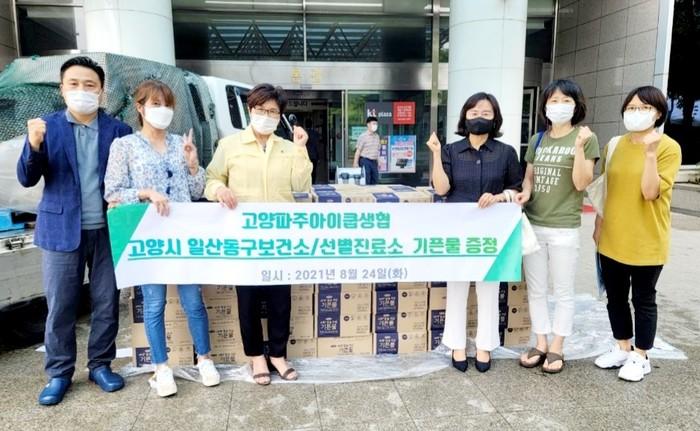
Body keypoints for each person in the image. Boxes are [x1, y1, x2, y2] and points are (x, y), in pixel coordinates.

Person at [16, 56, 132, 405]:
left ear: (101, 91)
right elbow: (27, 178)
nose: (82, 90)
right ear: (62, 89)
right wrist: (34, 145)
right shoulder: (46, 127)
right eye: (74, 84)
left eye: (90, 85)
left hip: (108, 231)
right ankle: (59, 373)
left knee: (106, 303)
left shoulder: (119, 131)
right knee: (61, 306)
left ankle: (100, 365)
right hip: (60, 230)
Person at [104, 80, 220, 396]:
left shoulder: (179, 143)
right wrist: (145, 193)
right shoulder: (124, 146)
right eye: (156, 104)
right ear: (140, 108)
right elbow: (112, 192)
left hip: (181, 235)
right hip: (149, 236)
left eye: (167, 104)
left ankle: (205, 360)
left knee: (193, 300)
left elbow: (196, 191)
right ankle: (161, 367)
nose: (163, 110)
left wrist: (193, 165)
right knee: (154, 303)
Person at [204, 83, 312, 385]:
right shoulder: (230, 145)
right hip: (245, 237)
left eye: (273, 112)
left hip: (279, 236)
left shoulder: (288, 148)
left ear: (280, 116)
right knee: (248, 298)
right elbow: (211, 179)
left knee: (280, 299)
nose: (267, 116)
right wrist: (219, 189)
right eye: (261, 110)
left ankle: (278, 354)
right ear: (250, 110)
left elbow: (301, 186)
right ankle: (256, 356)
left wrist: (301, 149)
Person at [427, 92, 522, 373]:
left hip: (492, 232)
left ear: (495, 119)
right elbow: (442, 189)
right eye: (474, 113)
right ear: (464, 117)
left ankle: (485, 345)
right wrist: (436, 154)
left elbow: (516, 189)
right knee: (457, 287)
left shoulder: (506, 152)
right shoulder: (451, 151)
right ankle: (456, 344)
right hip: (458, 230)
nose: (479, 117)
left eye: (486, 113)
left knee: (488, 288)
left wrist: (499, 196)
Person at [593, 86, 681, 382]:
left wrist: (650, 154)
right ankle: (622, 347)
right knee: (615, 297)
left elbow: (650, 192)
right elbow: (606, 189)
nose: (636, 112)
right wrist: (598, 224)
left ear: (658, 113)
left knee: (643, 299)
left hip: (647, 238)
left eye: (644, 107)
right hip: (612, 236)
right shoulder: (614, 145)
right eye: (631, 107)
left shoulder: (668, 147)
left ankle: (641, 356)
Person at [516, 79, 599, 373]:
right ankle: (540, 342)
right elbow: (529, 177)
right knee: (536, 289)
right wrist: (526, 192)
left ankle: (557, 346)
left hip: (564, 227)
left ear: (577, 106)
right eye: (553, 100)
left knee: (563, 291)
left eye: (566, 101)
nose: (559, 106)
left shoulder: (586, 138)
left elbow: (581, 183)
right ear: (545, 106)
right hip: (534, 224)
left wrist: (578, 148)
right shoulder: (537, 140)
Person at [353, 116, 380, 185]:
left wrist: (379, 162)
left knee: (375, 180)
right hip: (365, 160)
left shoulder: (377, 136)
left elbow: (377, 150)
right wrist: (355, 163)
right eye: (373, 124)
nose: (375, 126)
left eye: (376, 124)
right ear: (368, 124)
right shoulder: (363, 136)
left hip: (374, 161)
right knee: (366, 180)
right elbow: (358, 151)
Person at [304, 118, 321, 183]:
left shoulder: (303, 133)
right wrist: (318, 156)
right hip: (314, 155)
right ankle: (313, 183)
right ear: (311, 125)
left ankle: (306, 183)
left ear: (305, 125)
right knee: (313, 171)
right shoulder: (315, 133)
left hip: (305, 155)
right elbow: (317, 145)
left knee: (305, 171)